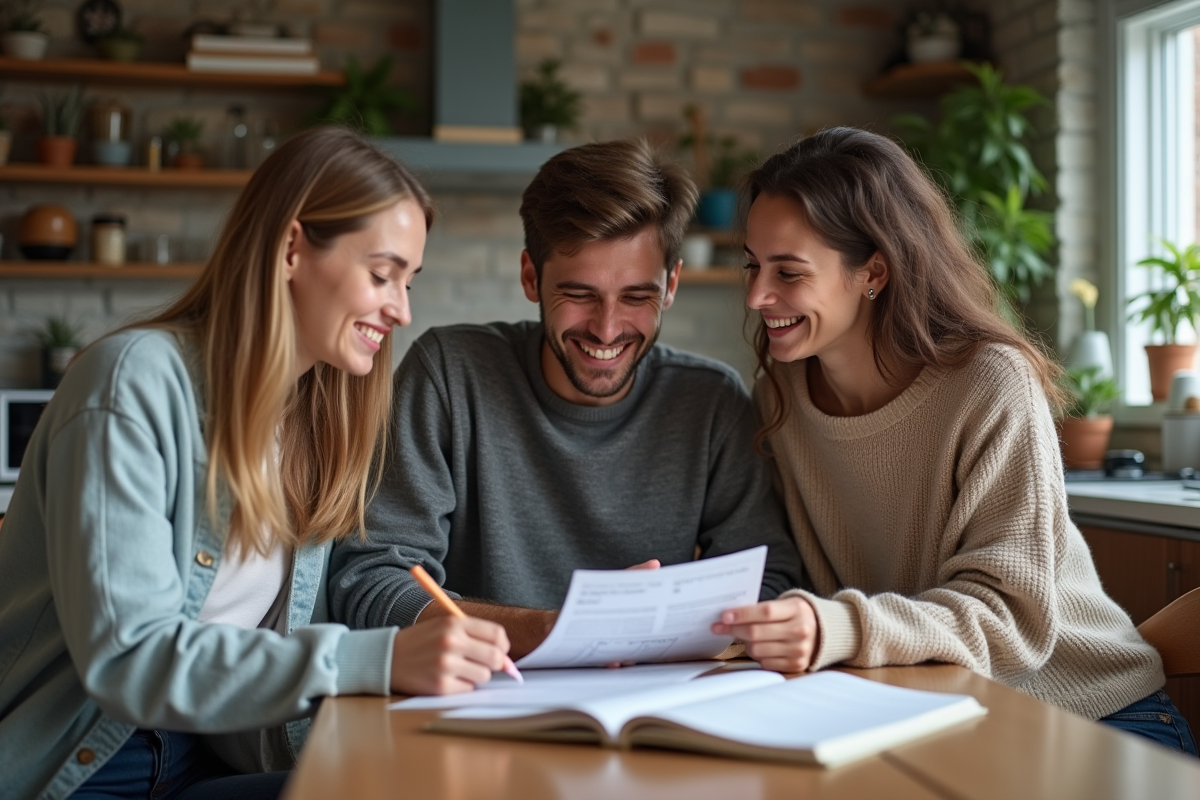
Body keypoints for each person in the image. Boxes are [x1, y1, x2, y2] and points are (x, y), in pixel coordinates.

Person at [0, 127, 512, 800]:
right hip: (84, 767)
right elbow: (130, 660)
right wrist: (380, 658)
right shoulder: (130, 384)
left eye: (410, 281)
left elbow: (275, 651)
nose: (402, 309)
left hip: (209, 758)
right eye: (383, 275)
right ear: (293, 248)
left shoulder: (318, 419)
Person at [711, 127, 1196, 755]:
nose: (757, 296)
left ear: (872, 272)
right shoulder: (783, 392)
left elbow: (1010, 622)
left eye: (789, 272)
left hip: (1085, 714)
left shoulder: (989, 383)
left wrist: (838, 627)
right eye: (753, 264)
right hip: (930, 712)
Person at [330, 138, 804, 657]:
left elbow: (770, 582)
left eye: (636, 297)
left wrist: (654, 626)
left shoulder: (711, 403)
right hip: (475, 704)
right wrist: (568, 630)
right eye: (579, 295)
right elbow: (372, 581)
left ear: (671, 286)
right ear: (531, 277)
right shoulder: (449, 373)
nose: (606, 329)